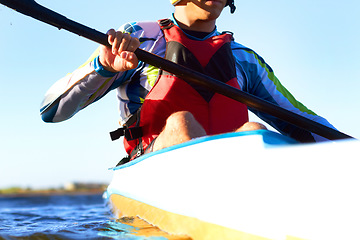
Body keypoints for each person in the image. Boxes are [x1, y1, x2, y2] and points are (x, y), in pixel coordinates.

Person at [40, 0, 336, 161]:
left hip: (230, 175)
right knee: (182, 123)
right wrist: (104, 66)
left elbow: (301, 119)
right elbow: (51, 111)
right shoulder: (140, 41)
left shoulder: (244, 59)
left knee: (255, 130)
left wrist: (349, 153)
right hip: (149, 169)